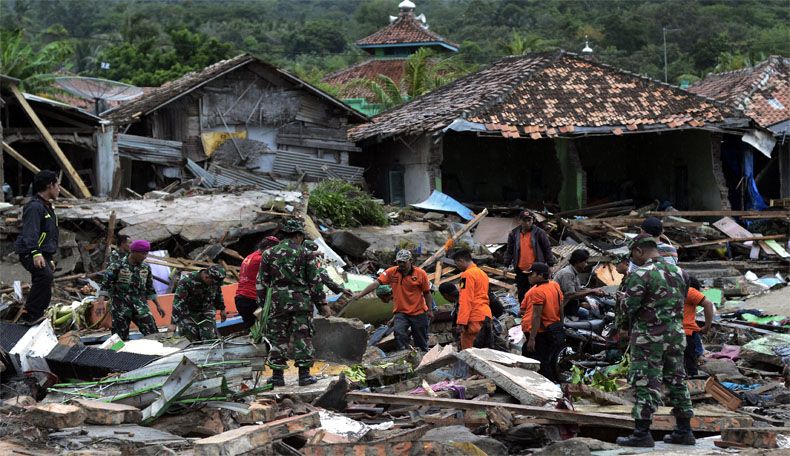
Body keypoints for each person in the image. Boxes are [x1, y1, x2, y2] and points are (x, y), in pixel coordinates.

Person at [616, 234, 694, 448]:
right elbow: (681, 300)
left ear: (639, 251)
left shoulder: (641, 274)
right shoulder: (681, 273)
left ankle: (642, 433)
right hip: (676, 335)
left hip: (649, 337)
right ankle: (684, 430)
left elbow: (631, 308)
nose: (633, 258)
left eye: (633, 254)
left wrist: (623, 301)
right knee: (677, 379)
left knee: (646, 381)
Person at [259, 219, 329, 387]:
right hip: (301, 302)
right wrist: (322, 304)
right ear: (298, 235)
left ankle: (277, 376)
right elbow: (315, 281)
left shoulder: (268, 254)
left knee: (278, 338)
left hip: (278, 302)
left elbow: (263, 281)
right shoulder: (306, 253)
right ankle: (304, 376)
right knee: (302, 337)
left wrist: (263, 305)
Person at [354, 249, 433, 352]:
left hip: (418, 312)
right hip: (401, 313)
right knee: (399, 333)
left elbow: (427, 293)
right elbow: (375, 284)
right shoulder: (391, 272)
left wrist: (430, 310)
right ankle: (404, 354)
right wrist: (359, 295)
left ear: (411, 261)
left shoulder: (420, 274)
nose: (401, 264)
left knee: (420, 340)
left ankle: (423, 358)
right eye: (399, 262)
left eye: (403, 262)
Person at [15, 170, 60, 323]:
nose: (59, 189)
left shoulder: (47, 207)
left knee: (46, 279)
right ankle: (30, 313)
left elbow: (48, 234)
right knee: (44, 276)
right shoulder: (34, 207)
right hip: (30, 251)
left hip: (42, 252)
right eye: (57, 185)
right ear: (50, 186)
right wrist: (35, 252)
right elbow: (30, 232)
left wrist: (50, 257)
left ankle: (37, 314)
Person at [96, 239, 165, 341]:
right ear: (133, 252)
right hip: (120, 306)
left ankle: (159, 353)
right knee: (119, 339)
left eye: (146, 253)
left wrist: (158, 305)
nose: (145, 256)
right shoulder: (116, 266)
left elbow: (150, 288)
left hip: (140, 305)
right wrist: (101, 303)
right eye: (142, 253)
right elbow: (105, 285)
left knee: (153, 333)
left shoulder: (146, 268)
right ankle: (117, 355)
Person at [520, 262, 564, 383]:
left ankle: (550, 388)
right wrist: (561, 324)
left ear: (540, 275)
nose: (528, 277)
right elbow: (561, 307)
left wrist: (532, 338)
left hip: (540, 332)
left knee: (539, 363)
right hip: (553, 328)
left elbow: (536, 315)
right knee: (546, 360)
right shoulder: (554, 285)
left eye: (531, 274)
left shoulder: (537, 292)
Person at [504, 211, 554, 304]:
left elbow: (547, 248)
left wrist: (550, 265)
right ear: (520, 221)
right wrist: (506, 265)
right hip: (521, 269)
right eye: (524, 220)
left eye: (529, 220)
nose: (527, 223)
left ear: (533, 220)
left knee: (537, 292)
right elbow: (509, 250)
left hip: (536, 269)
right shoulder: (514, 234)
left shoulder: (539, 233)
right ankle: (524, 312)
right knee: (522, 292)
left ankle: (538, 311)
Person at [450, 249, 493, 350]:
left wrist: (461, 322)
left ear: (461, 261)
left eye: (457, 264)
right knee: (485, 351)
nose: (457, 267)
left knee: (470, 352)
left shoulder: (467, 275)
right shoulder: (482, 273)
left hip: (473, 318)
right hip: (485, 315)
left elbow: (465, 299)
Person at [172, 265, 227, 341]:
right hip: (189, 312)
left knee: (209, 337)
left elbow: (218, 294)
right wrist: (173, 323)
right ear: (206, 277)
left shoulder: (214, 282)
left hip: (207, 310)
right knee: (192, 339)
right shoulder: (187, 281)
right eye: (213, 283)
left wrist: (222, 309)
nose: (215, 285)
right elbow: (178, 302)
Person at [235, 236, 279, 329]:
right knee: (265, 328)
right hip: (252, 300)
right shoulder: (261, 259)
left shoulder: (250, 256)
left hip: (241, 299)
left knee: (253, 329)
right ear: (268, 249)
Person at [553, 249, 605, 320]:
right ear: (578, 262)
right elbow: (570, 295)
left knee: (586, 312)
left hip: (568, 305)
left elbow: (578, 289)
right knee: (585, 314)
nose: (586, 264)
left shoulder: (574, 272)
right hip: (560, 307)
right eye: (585, 262)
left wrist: (593, 290)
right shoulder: (567, 273)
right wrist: (591, 292)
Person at [683, 276, 715, 377]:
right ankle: (693, 384)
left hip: (671, 331)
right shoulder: (689, 291)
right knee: (690, 362)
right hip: (687, 332)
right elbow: (708, 304)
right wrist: (707, 326)